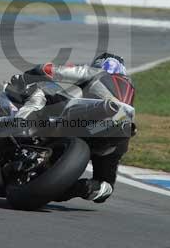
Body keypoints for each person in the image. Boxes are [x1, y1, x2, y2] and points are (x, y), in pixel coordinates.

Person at [7, 52, 135, 204]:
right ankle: (83, 188)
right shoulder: (129, 90)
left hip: (88, 115)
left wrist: (28, 76)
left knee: (39, 90)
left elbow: (50, 70)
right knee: (105, 186)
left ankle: (18, 127)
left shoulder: (97, 72)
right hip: (119, 133)